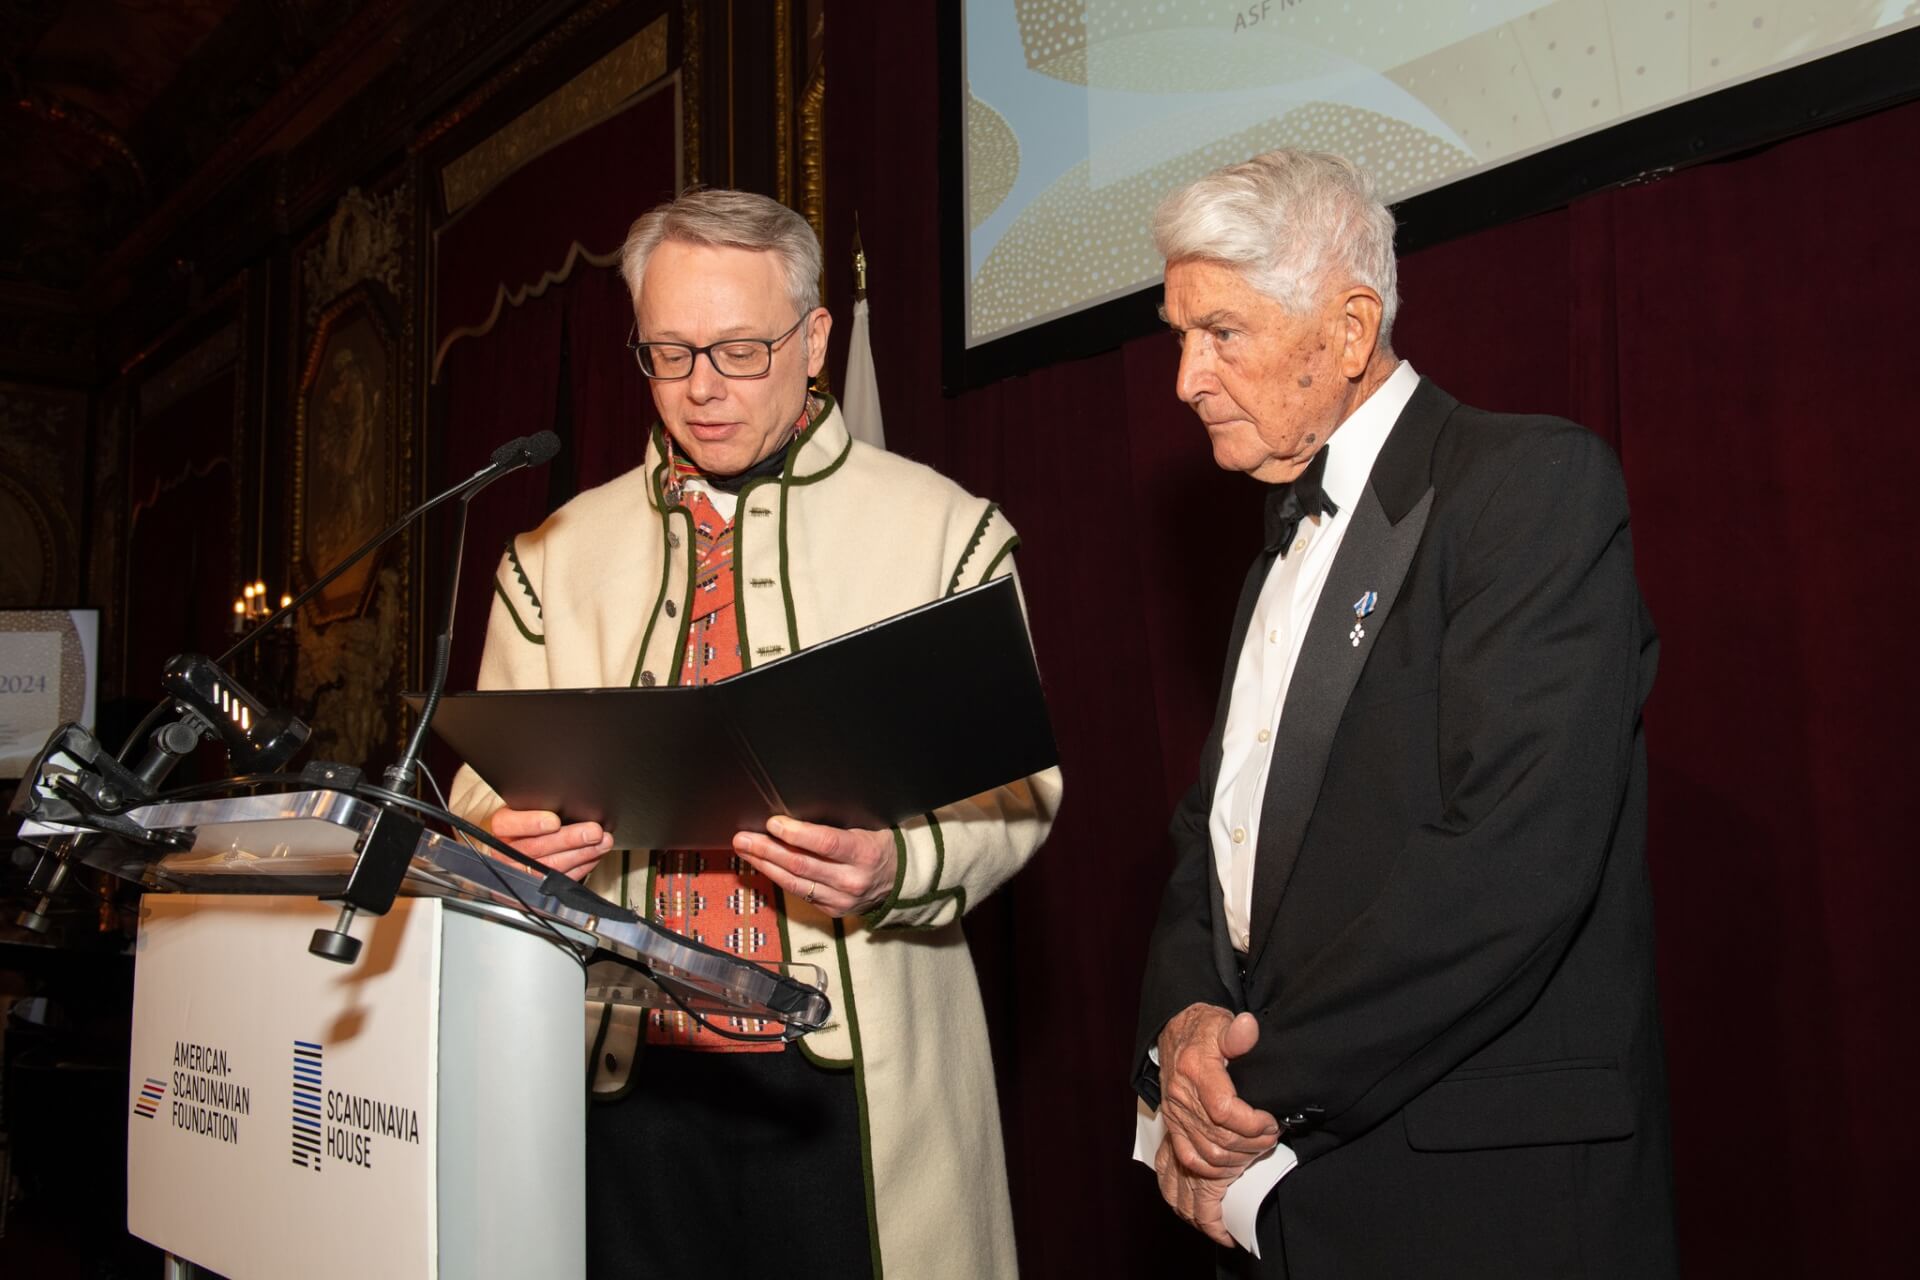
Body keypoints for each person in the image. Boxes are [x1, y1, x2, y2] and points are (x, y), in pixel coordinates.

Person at [449, 187, 1061, 1278]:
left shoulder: (942, 532)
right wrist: (512, 834)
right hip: (625, 1075)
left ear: (815, 338)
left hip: (848, 1076)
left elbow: (1018, 788)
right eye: (669, 351)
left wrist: (896, 860)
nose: (701, 388)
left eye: (738, 348)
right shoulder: (550, 556)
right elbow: (479, 789)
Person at [1131, 150, 1676, 1277]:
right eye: (1179, 335)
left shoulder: (1529, 486)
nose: (1185, 378)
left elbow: (1509, 858)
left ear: (1346, 328)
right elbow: (1213, 834)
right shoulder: (1272, 544)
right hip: (1288, 1196)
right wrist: (1182, 1028)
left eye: (1220, 332)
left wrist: (1244, 1087)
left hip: (1479, 1196)